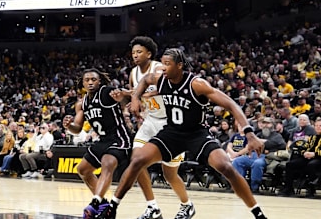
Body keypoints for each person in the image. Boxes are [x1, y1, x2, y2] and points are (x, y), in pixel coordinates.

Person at [94, 48, 268, 219]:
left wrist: (250, 134)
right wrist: (135, 97)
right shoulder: (160, 80)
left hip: (196, 134)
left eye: (167, 64)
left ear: (179, 65)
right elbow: (145, 80)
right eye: (162, 64)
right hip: (171, 133)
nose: (162, 68)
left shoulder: (197, 84)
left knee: (226, 167)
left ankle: (258, 214)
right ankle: (113, 207)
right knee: (137, 159)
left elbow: (231, 104)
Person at [126, 36, 193, 219]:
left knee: (169, 173)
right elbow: (136, 93)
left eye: (139, 52)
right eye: (133, 53)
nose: (135, 55)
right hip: (150, 121)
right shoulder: (133, 73)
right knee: (136, 160)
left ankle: (187, 205)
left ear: (149, 53)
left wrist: (149, 94)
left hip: (170, 123)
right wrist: (128, 97)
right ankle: (152, 207)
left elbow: (174, 86)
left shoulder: (160, 68)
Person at [61, 68, 132, 219]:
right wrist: (68, 126)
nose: (90, 82)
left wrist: (123, 99)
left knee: (107, 163)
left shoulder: (107, 92)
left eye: (93, 79)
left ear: (100, 81)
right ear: (83, 83)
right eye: (87, 80)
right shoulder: (82, 103)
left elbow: (129, 95)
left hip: (119, 138)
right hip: (102, 140)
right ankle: (103, 204)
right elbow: (77, 128)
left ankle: (95, 203)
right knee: (82, 169)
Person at [231, 116, 286, 193]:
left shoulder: (277, 135)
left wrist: (261, 143)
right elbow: (251, 144)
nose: (265, 125)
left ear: (273, 125)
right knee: (237, 161)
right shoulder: (258, 134)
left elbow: (282, 146)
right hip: (254, 154)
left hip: (267, 157)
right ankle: (239, 186)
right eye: (264, 123)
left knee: (257, 163)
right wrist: (264, 143)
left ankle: (254, 187)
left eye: (268, 123)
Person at [279, 118, 321, 197]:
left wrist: (314, 154)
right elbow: (303, 147)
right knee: (290, 164)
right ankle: (288, 189)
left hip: (318, 158)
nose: (318, 127)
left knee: (312, 165)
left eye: (320, 126)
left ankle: (311, 189)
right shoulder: (312, 137)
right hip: (307, 157)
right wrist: (304, 153)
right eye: (316, 126)